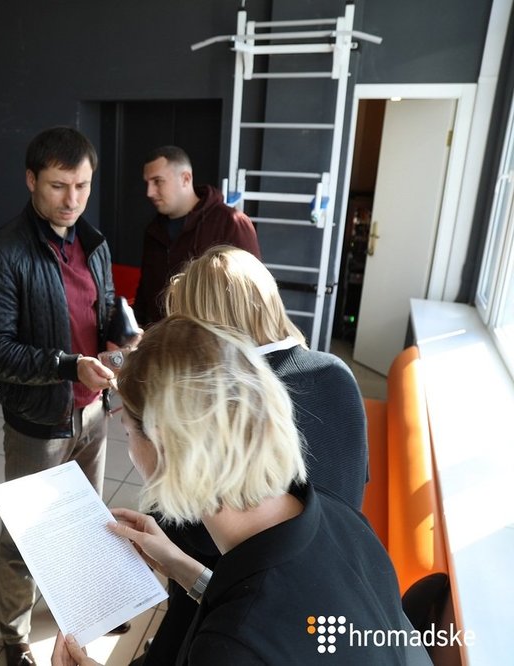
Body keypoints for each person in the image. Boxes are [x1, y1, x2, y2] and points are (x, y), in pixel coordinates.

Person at [51, 317, 429, 665]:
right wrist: (183, 568)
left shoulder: (230, 647)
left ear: (167, 448)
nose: (130, 448)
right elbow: (282, 616)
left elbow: (258, 627)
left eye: (129, 432)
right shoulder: (338, 514)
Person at [136, 244, 370, 665]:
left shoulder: (225, 403)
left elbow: (199, 532)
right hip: (333, 565)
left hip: (234, 600)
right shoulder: (337, 371)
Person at [0, 126, 120, 666]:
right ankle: (15, 636)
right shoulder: (3, 252)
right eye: (58, 185)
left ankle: (81, 605)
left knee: (86, 520)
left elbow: (105, 308)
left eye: (82, 186)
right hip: (38, 419)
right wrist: (68, 366)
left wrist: (123, 334)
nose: (72, 199)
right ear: (31, 180)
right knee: (26, 537)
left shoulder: (93, 242)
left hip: (93, 411)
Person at [133, 146, 260, 325]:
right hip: (162, 337)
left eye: (158, 181)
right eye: (147, 183)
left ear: (186, 178)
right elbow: (145, 292)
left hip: (216, 340)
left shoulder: (231, 222)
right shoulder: (153, 231)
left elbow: (251, 294)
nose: (149, 192)